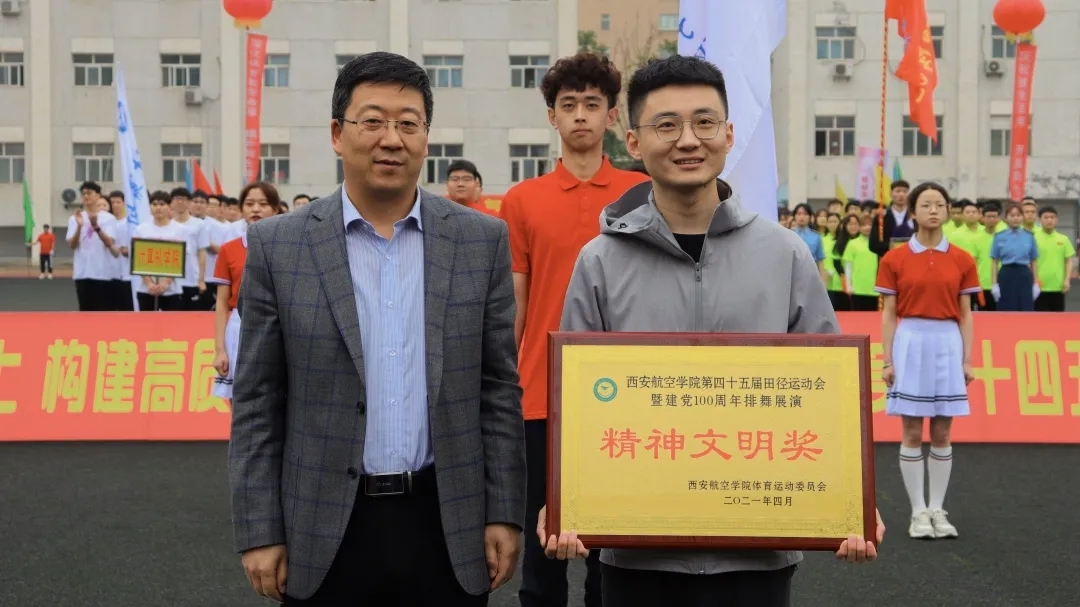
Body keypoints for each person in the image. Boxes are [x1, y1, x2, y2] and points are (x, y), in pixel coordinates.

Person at [536, 55, 883, 606]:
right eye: (666, 125)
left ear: (728, 134)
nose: (687, 140)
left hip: (757, 550)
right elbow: (575, 404)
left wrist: (851, 499)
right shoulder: (599, 260)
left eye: (704, 122)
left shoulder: (785, 254)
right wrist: (565, 499)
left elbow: (827, 397)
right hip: (638, 552)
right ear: (634, 141)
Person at [229, 51, 526, 606]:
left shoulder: (480, 241)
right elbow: (257, 400)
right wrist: (260, 528)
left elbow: (497, 389)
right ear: (337, 135)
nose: (392, 139)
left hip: (447, 522)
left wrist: (504, 512)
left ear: (426, 138)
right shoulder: (279, 245)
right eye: (373, 121)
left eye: (409, 123)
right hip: (322, 525)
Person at [498, 51, 648, 607]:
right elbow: (515, 305)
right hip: (542, 392)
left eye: (592, 103)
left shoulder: (642, 192)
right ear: (552, 117)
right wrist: (502, 385)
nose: (580, 114)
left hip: (628, 391)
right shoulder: (521, 200)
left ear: (612, 115)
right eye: (568, 105)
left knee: (613, 544)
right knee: (543, 540)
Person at [875, 182, 980, 540]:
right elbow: (889, 313)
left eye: (939, 204)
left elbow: (966, 313)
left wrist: (967, 359)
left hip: (947, 341)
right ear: (913, 212)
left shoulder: (962, 259)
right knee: (911, 430)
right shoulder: (895, 259)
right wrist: (887, 360)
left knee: (942, 431)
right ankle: (917, 511)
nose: (933, 210)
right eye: (926, 204)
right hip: (911, 340)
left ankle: (937, 508)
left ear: (948, 211)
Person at [210, 182, 280, 400]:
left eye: (263, 204)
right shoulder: (229, 250)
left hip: (278, 328)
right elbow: (222, 303)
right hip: (240, 327)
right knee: (238, 397)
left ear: (275, 210)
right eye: (249, 204)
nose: (255, 209)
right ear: (241, 209)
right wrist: (220, 350)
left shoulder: (288, 249)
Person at [67, 181, 120, 311]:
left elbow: (109, 242)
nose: (86, 196)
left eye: (89, 193)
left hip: (102, 273)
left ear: (98, 195)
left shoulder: (108, 218)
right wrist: (79, 226)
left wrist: (96, 226)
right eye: (83, 193)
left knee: (102, 311)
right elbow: (72, 245)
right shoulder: (74, 219)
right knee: (85, 311)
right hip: (82, 273)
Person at [131, 190, 187, 311]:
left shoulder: (180, 230)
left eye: (162, 204)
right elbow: (138, 259)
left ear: (169, 206)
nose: (158, 208)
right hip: (146, 289)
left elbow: (180, 258)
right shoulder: (141, 230)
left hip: (172, 290)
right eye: (154, 204)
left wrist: (166, 282)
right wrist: (149, 283)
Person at [990, 203, 1039, 312]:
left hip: (1024, 274)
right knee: (1006, 308)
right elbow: (994, 261)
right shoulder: (999, 236)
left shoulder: (1029, 236)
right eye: (1012, 215)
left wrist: (1036, 283)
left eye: (1018, 215)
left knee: (1025, 308)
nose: (1015, 218)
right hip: (1006, 274)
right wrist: (994, 284)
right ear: (1006, 218)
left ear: (1022, 217)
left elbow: (1034, 261)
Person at [1033, 206, 1076, 312]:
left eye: (1052, 217)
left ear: (1056, 219)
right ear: (1039, 219)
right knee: (1040, 318)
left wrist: (1067, 279)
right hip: (1039, 287)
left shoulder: (1063, 239)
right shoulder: (1033, 238)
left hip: (1058, 286)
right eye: (1046, 217)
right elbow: (1029, 261)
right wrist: (1034, 280)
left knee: (1058, 318)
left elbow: (1068, 261)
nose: (1049, 220)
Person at [869, 180, 914, 256]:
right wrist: (893, 247)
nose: (901, 194)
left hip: (911, 258)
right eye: (898, 191)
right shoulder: (881, 217)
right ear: (891, 193)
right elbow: (873, 245)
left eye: (905, 191)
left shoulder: (915, 216)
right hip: (888, 257)